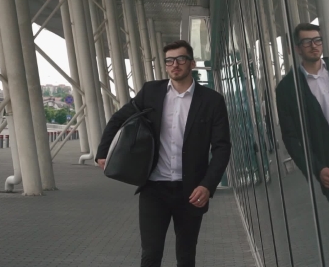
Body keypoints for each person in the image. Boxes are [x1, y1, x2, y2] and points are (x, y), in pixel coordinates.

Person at [96, 40, 231, 267]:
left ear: (192, 63)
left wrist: (207, 185)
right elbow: (119, 118)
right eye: (169, 60)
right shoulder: (151, 92)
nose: (174, 64)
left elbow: (222, 147)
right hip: (153, 189)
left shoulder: (212, 101)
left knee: (186, 257)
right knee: (150, 255)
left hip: (191, 191)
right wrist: (103, 152)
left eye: (180, 59)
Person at [276, 23, 329, 265]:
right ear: (296, 49)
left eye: (318, 40)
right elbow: (291, 138)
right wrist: (317, 168)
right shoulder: (287, 89)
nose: (314, 46)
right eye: (307, 42)